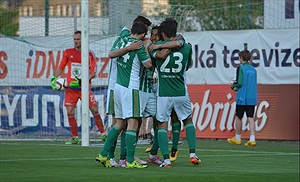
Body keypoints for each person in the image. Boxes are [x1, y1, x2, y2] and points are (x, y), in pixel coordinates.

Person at [96, 21, 152, 168]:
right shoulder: (138, 45)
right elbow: (148, 65)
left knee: (119, 123)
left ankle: (103, 154)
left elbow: (110, 54)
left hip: (118, 87)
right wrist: (148, 48)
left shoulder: (121, 40)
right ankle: (129, 160)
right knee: (133, 124)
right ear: (143, 34)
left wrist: (127, 48)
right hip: (130, 88)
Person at [149, 18, 201, 168]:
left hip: (164, 93)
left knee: (162, 125)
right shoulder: (187, 48)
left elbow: (157, 59)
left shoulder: (155, 47)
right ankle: (192, 154)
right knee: (188, 121)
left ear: (163, 34)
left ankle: (166, 160)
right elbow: (188, 66)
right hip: (180, 91)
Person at [50, 31, 106, 145]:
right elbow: (60, 67)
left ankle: (103, 134)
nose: (76, 41)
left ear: (83, 40)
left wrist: (84, 79)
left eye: (78, 39)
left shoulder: (89, 54)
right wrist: (53, 78)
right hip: (71, 89)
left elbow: (93, 73)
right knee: (70, 111)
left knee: (94, 109)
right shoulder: (68, 52)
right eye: (75, 39)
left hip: (84, 89)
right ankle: (75, 137)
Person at [227, 49, 257, 146]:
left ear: (241, 58)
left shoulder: (241, 68)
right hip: (252, 97)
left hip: (242, 97)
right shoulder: (253, 69)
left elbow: (239, 83)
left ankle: (238, 137)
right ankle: (252, 138)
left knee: (238, 117)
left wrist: (233, 85)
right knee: (250, 117)